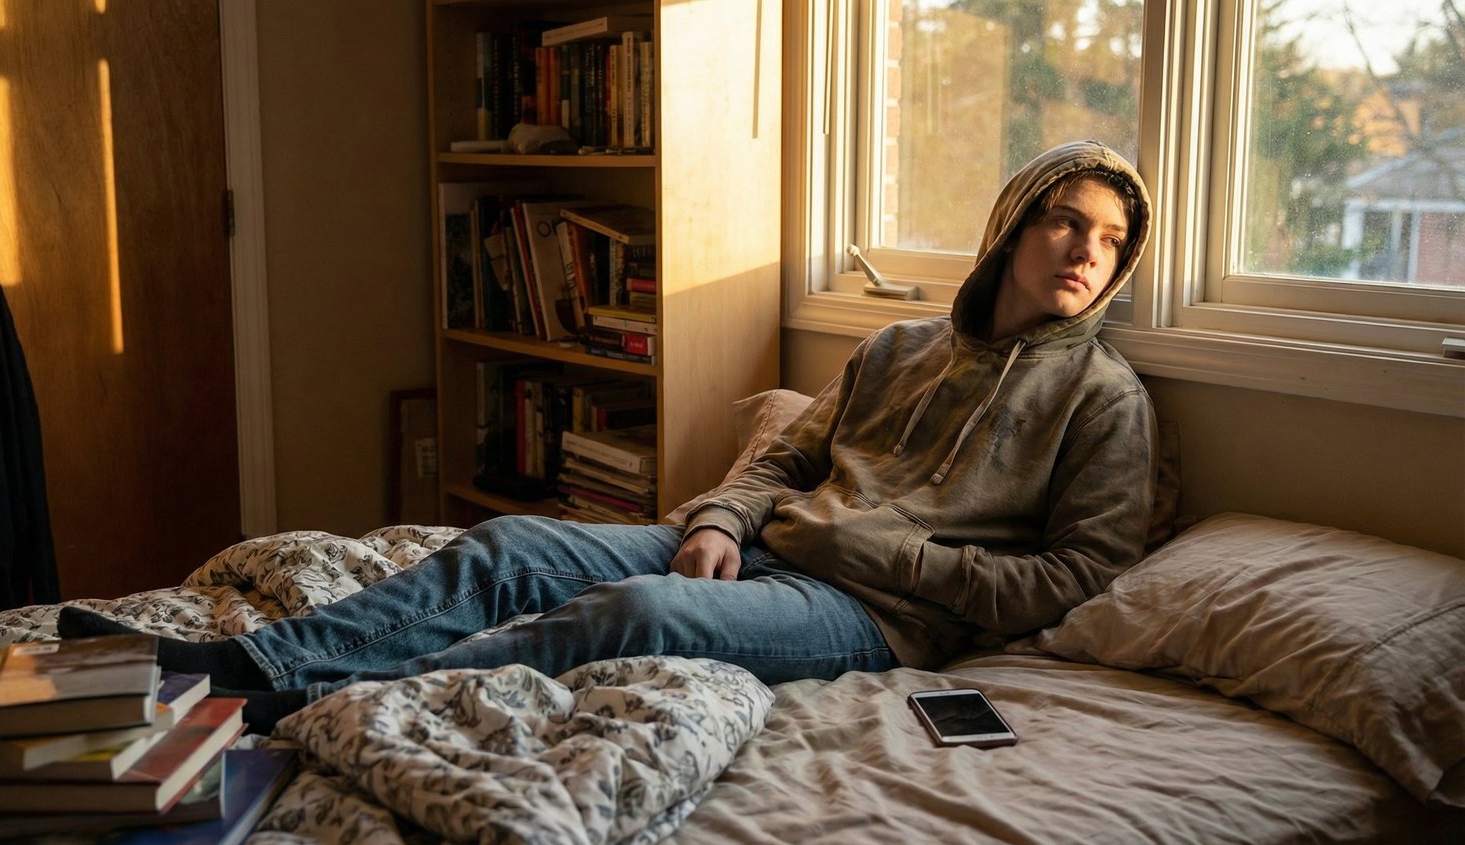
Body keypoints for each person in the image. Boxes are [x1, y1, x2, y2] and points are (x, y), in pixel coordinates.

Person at [61, 140, 1159, 734]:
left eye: (1110, 239)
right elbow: (785, 455)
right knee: (514, 547)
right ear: (1013, 224)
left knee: (633, 611)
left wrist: (872, 555)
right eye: (1066, 219)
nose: (1085, 250)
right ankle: (246, 664)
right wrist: (724, 514)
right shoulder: (903, 342)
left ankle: (336, 703)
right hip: (773, 545)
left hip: (878, 614)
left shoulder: (1106, 400)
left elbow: (1070, 575)